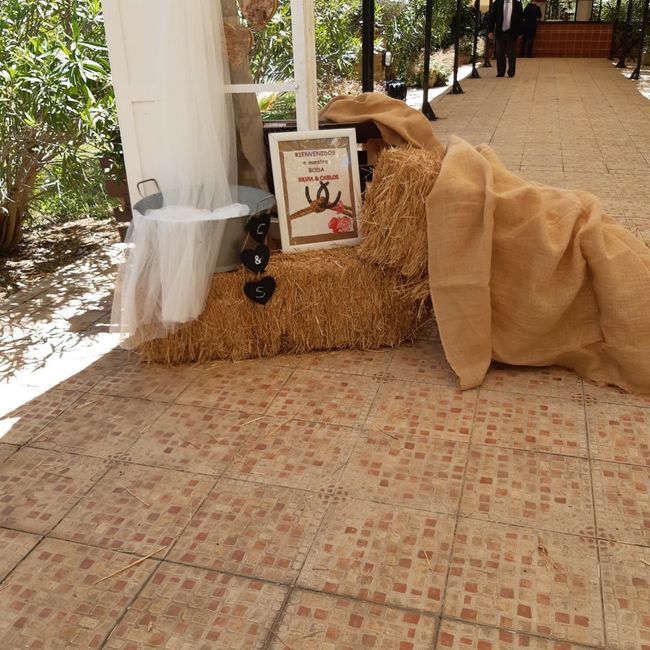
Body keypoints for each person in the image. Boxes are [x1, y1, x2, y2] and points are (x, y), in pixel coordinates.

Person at [487, 0, 524, 78]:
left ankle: (511, 72)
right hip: (500, 32)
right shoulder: (497, 3)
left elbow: (520, 19)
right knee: (500, 53)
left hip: (512, 33)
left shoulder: (518, 4)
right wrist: (490, 31)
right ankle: (500, 72)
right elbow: (492, 18)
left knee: (511, 54)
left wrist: (520, 32)